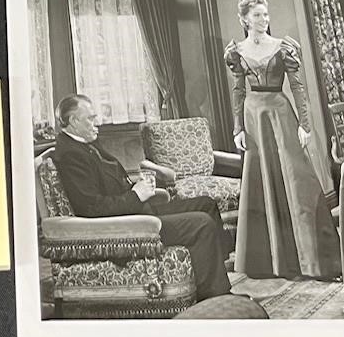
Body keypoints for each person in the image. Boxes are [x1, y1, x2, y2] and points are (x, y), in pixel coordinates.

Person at [51, 94, 232, 301]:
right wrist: (136, 195)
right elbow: (92, 208)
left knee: (206, 204)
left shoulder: (85, 143)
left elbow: (111, 183)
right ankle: (215, 296)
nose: (96, 122)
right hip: (126, 226)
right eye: (90, 118)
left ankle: (215, 272)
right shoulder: (70, 155)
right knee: (201, 224)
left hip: (135, 211)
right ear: (74, 121)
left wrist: (138, 187)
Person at [225, 0, 339, 279]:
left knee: (297, 181)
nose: (264, 20)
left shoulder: (283, 47)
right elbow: (238, 91)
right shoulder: (237, 51)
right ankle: (270, 262)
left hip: (280, 112)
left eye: (266, 14)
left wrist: (305, 125)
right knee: (261, 181)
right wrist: (238, 128)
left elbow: (298, 87)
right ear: (244, 20)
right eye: (257, 15)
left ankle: (312, 260)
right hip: (254, 118)